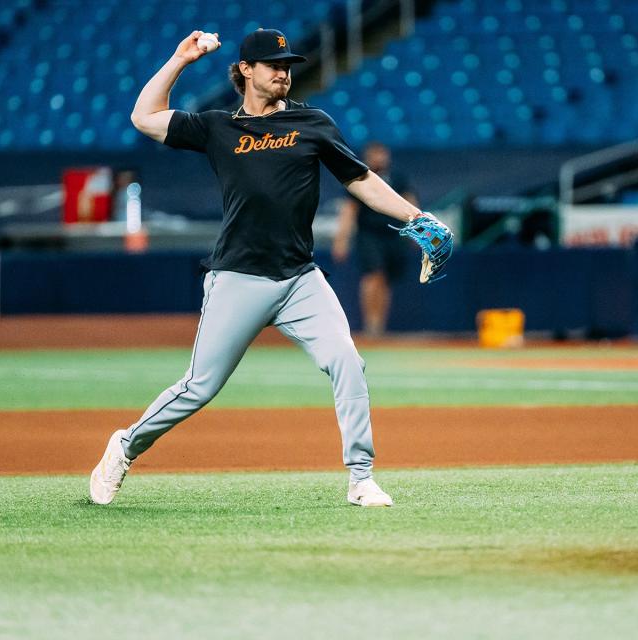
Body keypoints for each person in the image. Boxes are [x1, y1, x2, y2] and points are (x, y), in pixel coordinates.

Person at [89, 28, 429, 508]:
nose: (283, 71)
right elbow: (143, 117)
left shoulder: (313, 123)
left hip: (300, 279)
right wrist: (180, 59)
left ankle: (361, 477)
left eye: (287, 64)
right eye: (273, 64)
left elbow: (361, 179)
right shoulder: (218, 127)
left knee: (348, 362)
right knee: (198, 387)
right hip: (238, 277)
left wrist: (415, 217)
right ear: (246, 70)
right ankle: (123, 447)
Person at [332, 141, 417, 337]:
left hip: (393, 234)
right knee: (373, 275)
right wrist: (341, 240)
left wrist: (416, 233)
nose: (380, 158)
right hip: (369, 234)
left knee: (385, 280)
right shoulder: (360, 177)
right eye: (375, 154)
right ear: (368, 157)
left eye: (382, 153)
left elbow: (410, 203)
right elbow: (349, 211)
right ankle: (371, 324)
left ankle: (380, 326)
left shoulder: (397, 178)